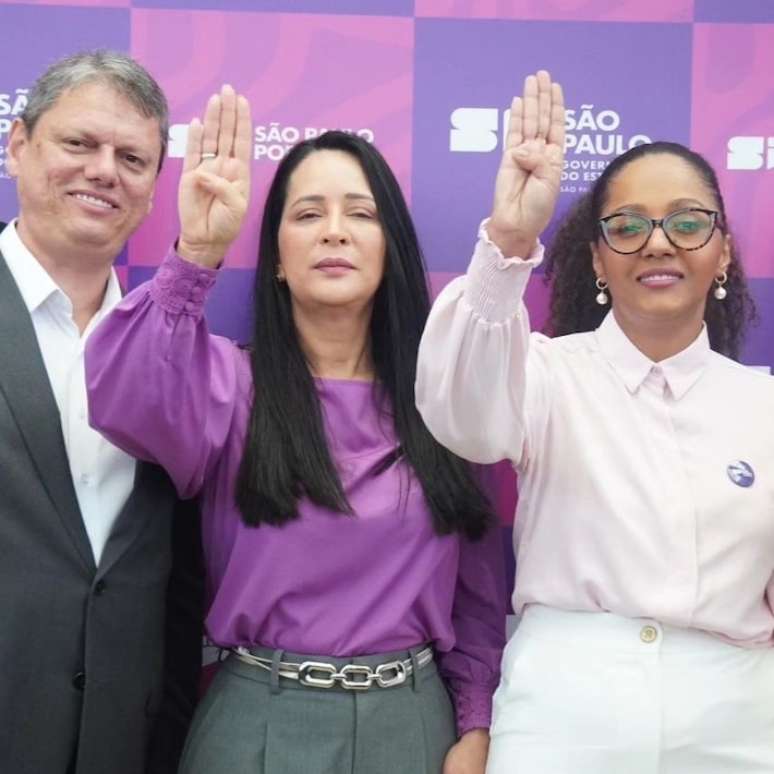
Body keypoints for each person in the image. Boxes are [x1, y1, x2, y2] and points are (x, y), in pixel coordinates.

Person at [84, 84, 506, 774]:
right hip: (257, 717)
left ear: (390, 247)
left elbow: (480, 596)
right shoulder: (226, 385)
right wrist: (195, 253)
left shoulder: (448, 405)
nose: (334, 230)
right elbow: (121, 394)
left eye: (360, 214)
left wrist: (475, 723)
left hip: (413, 723)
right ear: (277, 257)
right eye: (308, 214)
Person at [416, 69, 773, 773]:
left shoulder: (762, 405)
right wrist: (512, 239)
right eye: (629, 225)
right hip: (565, 713)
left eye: (689, 221)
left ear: (724, 250)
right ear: (599, 260)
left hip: (739, 719)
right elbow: (462, 418)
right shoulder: (547, 372)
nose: (659, 242)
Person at [0, 50, 203, 774]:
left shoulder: (178, 350)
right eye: (78, 144)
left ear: (153, 188)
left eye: (132, 157)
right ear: (17, 146)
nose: (103, 171)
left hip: (125, 741)